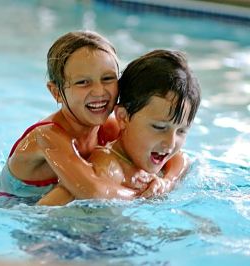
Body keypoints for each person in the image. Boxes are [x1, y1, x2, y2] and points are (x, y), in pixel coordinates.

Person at [0, 31, 186, 201]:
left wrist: (166, 183)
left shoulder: (110, 127)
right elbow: (92, 191)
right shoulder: (47, 136)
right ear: (56, 92)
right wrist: (143, 195)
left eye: (108, 78)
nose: (99, 91)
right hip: (9, 208)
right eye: (83, 82)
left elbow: (177, 157)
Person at [36, 49, 201, 206]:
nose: (170, 144)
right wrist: (140, 196)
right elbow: (47, 207)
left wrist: (167, 182)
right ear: (123, 117)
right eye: (159, 127)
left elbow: (181, 158)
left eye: (181, 131)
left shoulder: (149, 154)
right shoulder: (108, 168)